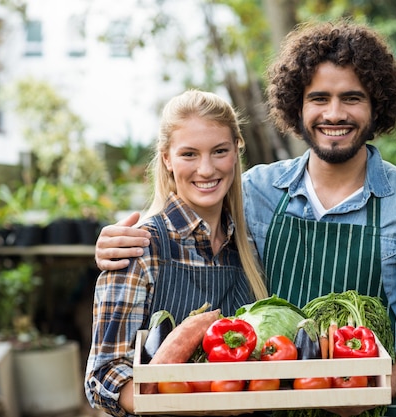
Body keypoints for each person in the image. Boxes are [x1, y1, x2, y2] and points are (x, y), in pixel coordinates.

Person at [95, 20, 396, 417]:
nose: (334, 114)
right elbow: (186, 219)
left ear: (377, 106)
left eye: (352, 98)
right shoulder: (255, 192)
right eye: (319, 98)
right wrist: (116, 244)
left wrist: (374, 389)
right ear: (297, 106)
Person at [84, 89, 268, 417]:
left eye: (220, 151)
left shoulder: (246, 247)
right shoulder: (140, 248)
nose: (207, 169)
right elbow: (103, 376)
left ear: (236, 151)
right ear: (167, 158)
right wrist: (197, 406)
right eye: (189, 154)